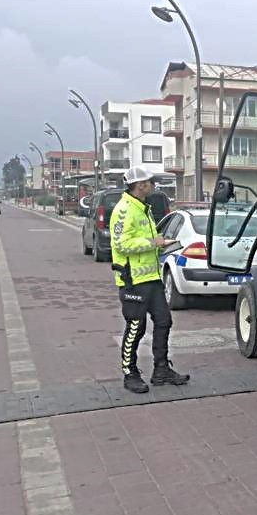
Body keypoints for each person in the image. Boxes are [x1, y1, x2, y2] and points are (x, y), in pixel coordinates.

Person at [110, 166, 190, 393]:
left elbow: (142, 240)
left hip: (151, 277)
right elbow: (121, 245)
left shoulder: (142, 208)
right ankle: (130, 373)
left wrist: (161, 243)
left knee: (164, 321)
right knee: (136, 326)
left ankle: (161, 369)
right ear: (140, 185)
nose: (153, 185)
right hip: (133, 279)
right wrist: (153, 243)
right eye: (150, 182)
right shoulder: (125, 209)